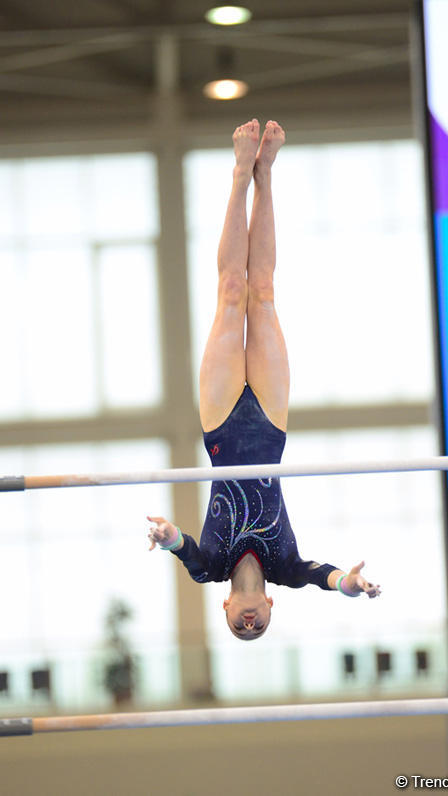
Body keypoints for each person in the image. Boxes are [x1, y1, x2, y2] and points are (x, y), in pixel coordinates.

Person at [148, 119, 380, 641]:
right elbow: (329, 578)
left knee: (232, 290)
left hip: (222, 424)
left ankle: (240, 172)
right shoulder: (287, 567)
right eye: (258, 626)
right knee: (265, 290)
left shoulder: (209, 567)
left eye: (239, 626)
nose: (249, 623)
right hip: (271, 425)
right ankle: (267, 172)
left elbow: (181, 544)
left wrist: (166, 537)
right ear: (272, 605)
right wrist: (349, 584)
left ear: (225, 605)